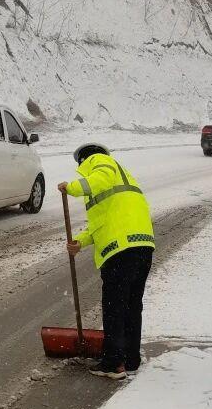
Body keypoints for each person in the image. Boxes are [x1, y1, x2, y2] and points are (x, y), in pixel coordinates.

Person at [58, 142, 155, 380]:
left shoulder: (99, 162)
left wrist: (70, 187)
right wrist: (80, 242)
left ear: (83, 160)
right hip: (142, 246)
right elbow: (102, 225)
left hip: (120, 250)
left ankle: (113, 363)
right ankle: (130, 359)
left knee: (115, 307)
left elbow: (97, 179)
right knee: (132, 306)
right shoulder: (124, 178)